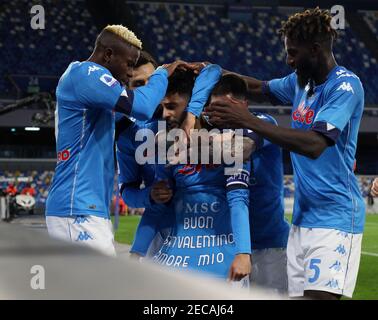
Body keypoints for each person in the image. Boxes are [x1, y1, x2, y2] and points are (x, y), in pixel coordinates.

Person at [205, 8, 365, 299]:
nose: (288, 60)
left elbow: (315, 144)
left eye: (293, 53)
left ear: (315, 50)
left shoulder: (345, 86)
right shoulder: (301, 83)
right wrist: (209, 71)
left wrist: (247, 120)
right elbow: (259, 88)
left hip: (336, 217)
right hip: (302, 221)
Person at [45, 24, 190, 256]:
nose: (130, 73)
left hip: (86, 209)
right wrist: (162, 73)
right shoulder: (85, 74)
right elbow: (141, 107)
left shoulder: (96, 99)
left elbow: (141, 118)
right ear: (108, 55)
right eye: (129, 64)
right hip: (78, 208)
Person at [117, 64, 222, 258]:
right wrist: (150, 195)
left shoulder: (215, 129)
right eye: (137, 84)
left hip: (211, 234)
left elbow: (213, 70)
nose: (144, 90)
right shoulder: (139, 136)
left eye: (150, 82)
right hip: (161, 235)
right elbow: (129, 193)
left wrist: (192, 115)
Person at [206, 74, 290, 293]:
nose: (219, 113)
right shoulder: (214, 132)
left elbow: (240, 149)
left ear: (243, 105)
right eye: (214, 107)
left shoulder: (264, 123)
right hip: (228, 245)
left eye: (225, 107)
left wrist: (190, 145)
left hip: (270, 245)